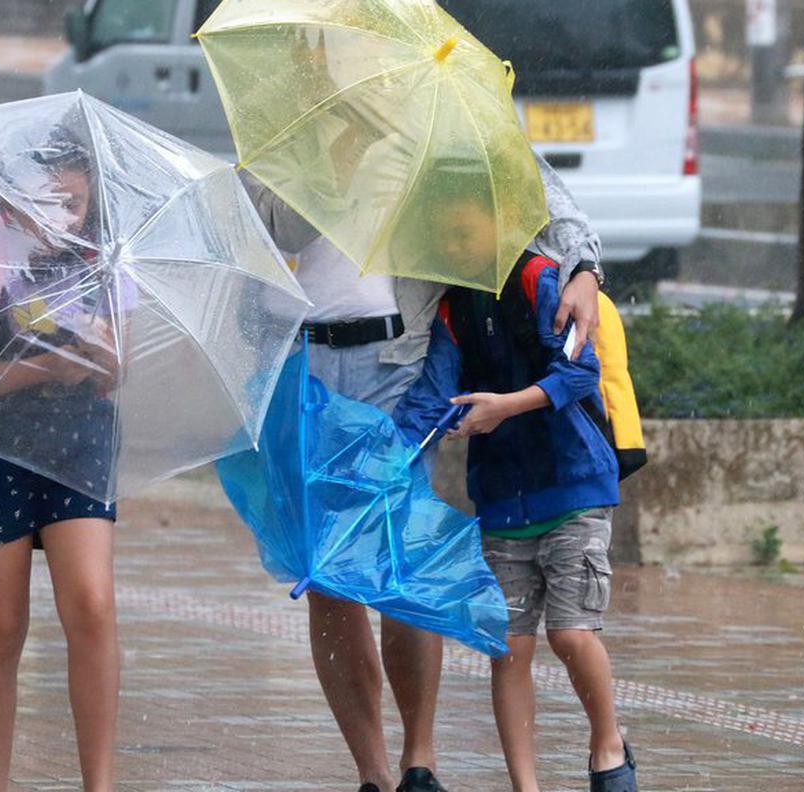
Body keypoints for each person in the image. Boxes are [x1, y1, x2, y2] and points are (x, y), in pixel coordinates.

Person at [242, 154, 604, 792]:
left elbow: (535, 188)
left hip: (400, 361)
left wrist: (586, 268)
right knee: (325, 574)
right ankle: (372, 772)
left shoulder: (431, 113)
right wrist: (331, 159)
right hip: (302, 365)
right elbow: (268, 231)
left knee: (395, 559)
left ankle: (420, 760)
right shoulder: (287, 138)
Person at [392, 183, 635, 792]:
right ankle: (525, 786)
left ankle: (607, 744)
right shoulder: (453, 309)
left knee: (571, 633)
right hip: (502, 498)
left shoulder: (539, 278)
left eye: (464, 225)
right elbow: (434, 397)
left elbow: (580, 372)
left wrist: (505, 406)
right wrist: (390, 457)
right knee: (509, 648)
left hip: (573, 483)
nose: (455, 242)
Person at [0, 138, 124, 792]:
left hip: (78, 438)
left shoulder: (99, 261)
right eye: (51, 201)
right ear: (14, 194)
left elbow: (119, 369)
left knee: (91, 605)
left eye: (76, 203)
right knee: (2, 625)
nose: (64, 215)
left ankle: (99, 783)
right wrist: (42, 365)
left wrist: (99, 357)